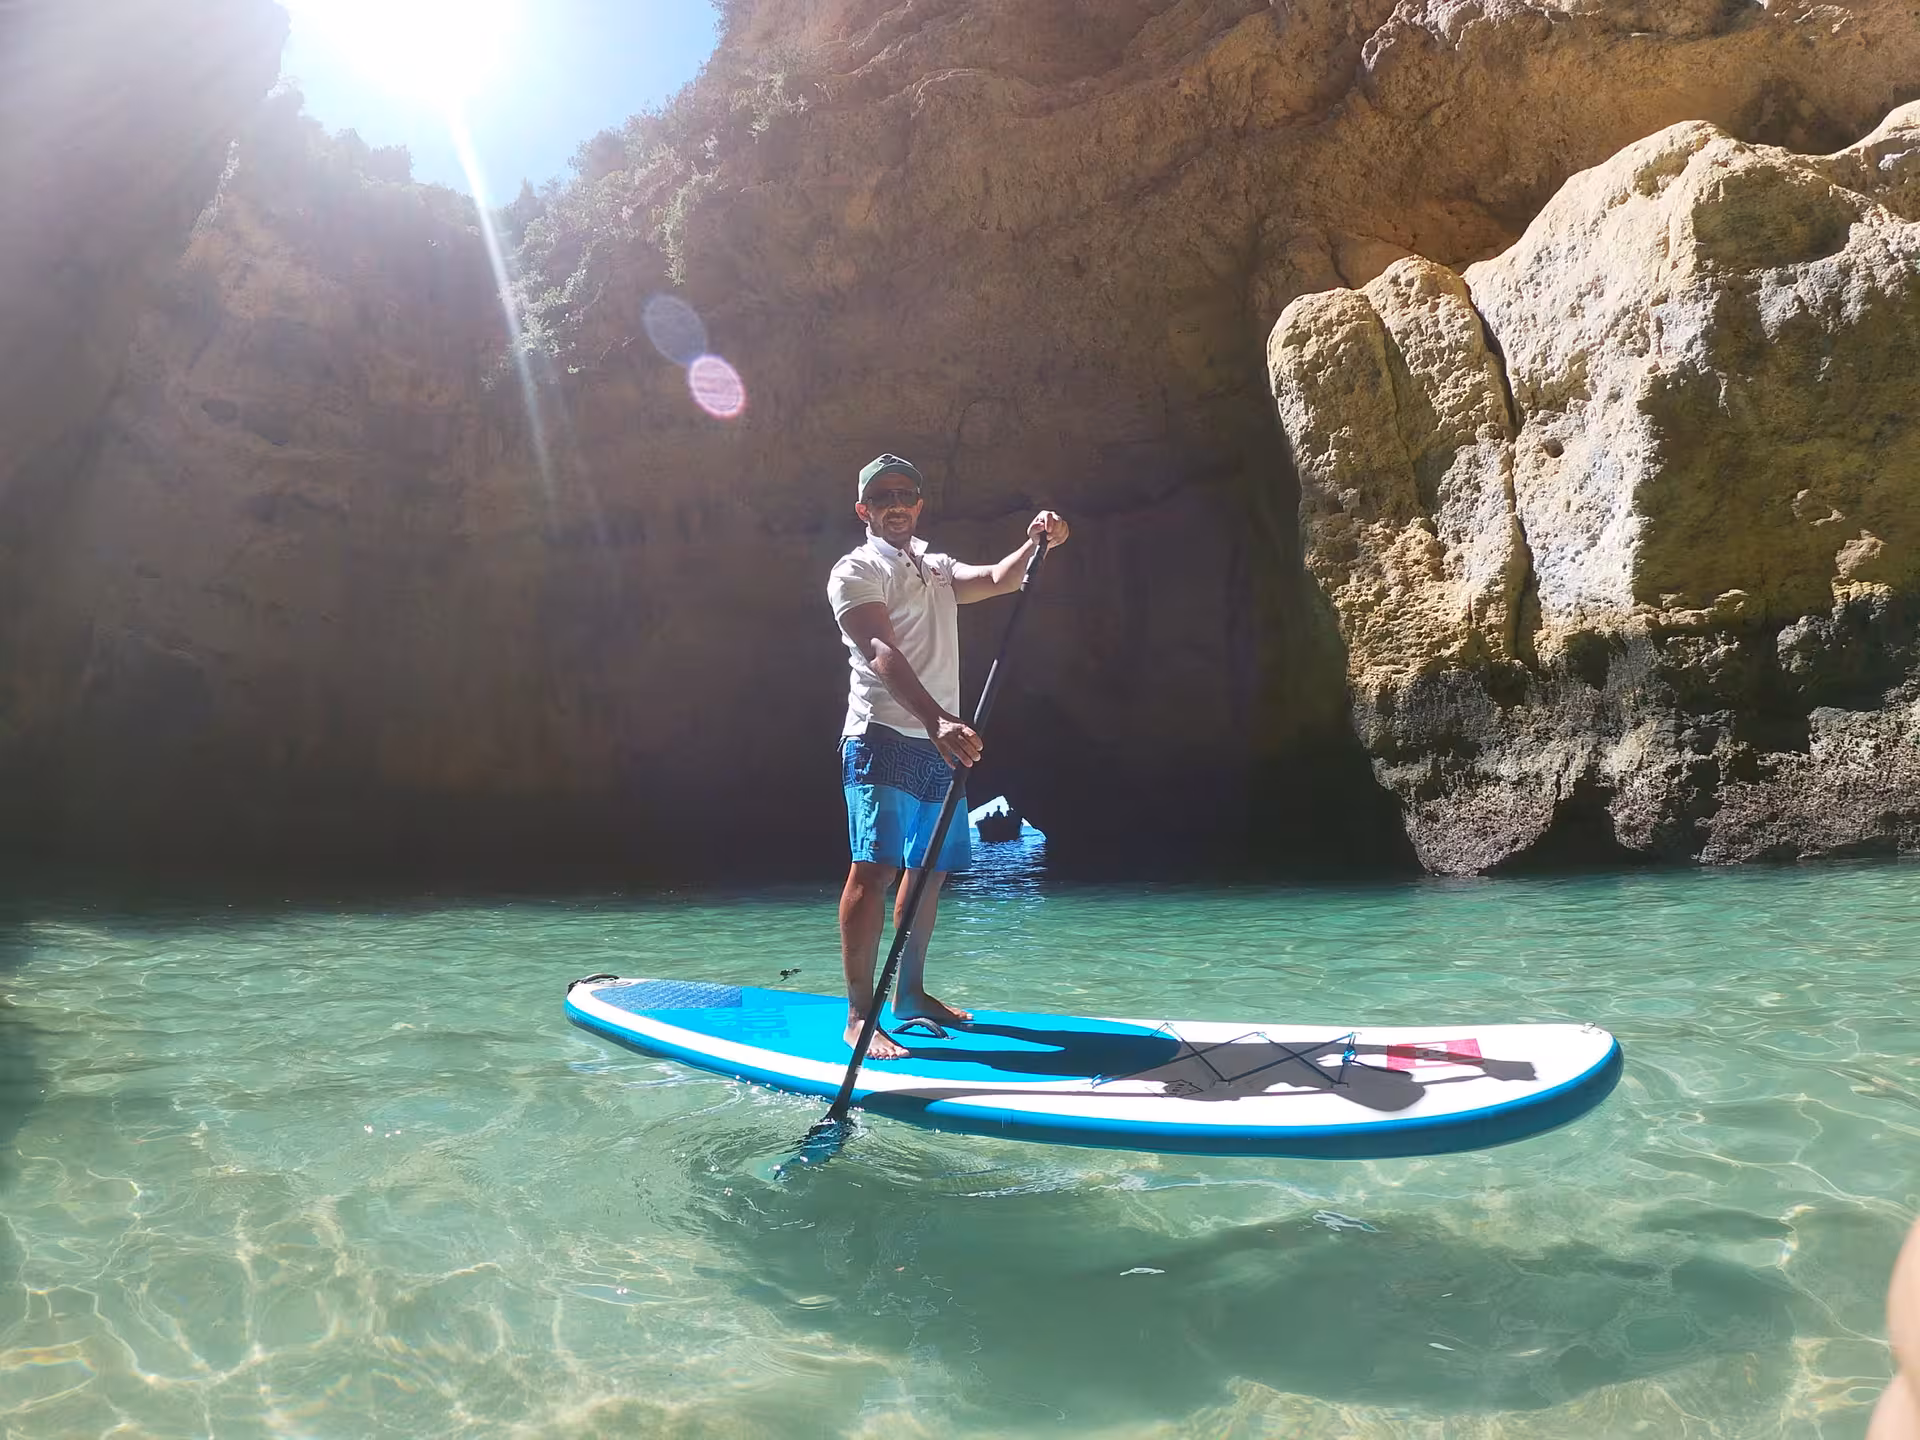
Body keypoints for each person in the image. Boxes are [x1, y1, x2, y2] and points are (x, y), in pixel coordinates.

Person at [826, 453, 1068, 1058]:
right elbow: (879, 648)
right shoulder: (855, 569)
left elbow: (998, 579)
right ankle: (860, 1014)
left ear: (920, 503)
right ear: (864, 509)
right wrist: (936, 719)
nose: (896, 502)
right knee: (874, 871)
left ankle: (909, 994)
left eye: (906, 492)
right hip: (881, 735)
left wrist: (1038, 542)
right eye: (882, 495)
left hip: (940, 743)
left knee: (928, 872)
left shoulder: (933, 566)